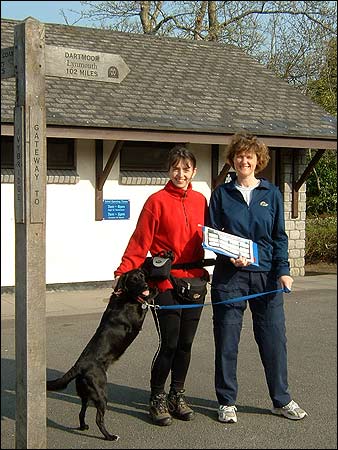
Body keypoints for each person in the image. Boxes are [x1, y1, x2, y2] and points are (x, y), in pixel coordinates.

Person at [208, 132, 308, 424]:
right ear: (233, 160)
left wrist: (284, 271)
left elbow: (279, 237)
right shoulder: (221, 194)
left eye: (249, 156)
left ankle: (282, 399)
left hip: (266, 280)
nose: (244, 160)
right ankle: (226, 402)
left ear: (258, 160)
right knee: (227, 341)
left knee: (274, 340)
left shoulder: (271, 194)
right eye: (239, 155)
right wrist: (229, 256)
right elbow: (214, 236)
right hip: (230, 279)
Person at [113, 145, 209, 426]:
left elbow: (213, 236)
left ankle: (177, 395)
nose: (181, 174)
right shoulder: (156, 201)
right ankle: (157, 397)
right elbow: (140, 241)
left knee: (186, 343)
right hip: (165, 281)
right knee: (169, 342)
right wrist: (123, 274)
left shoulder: (201, 201)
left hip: (194, 280)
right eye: (175, 168)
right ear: (168, 170)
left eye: (186, 169)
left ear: (194, 171)